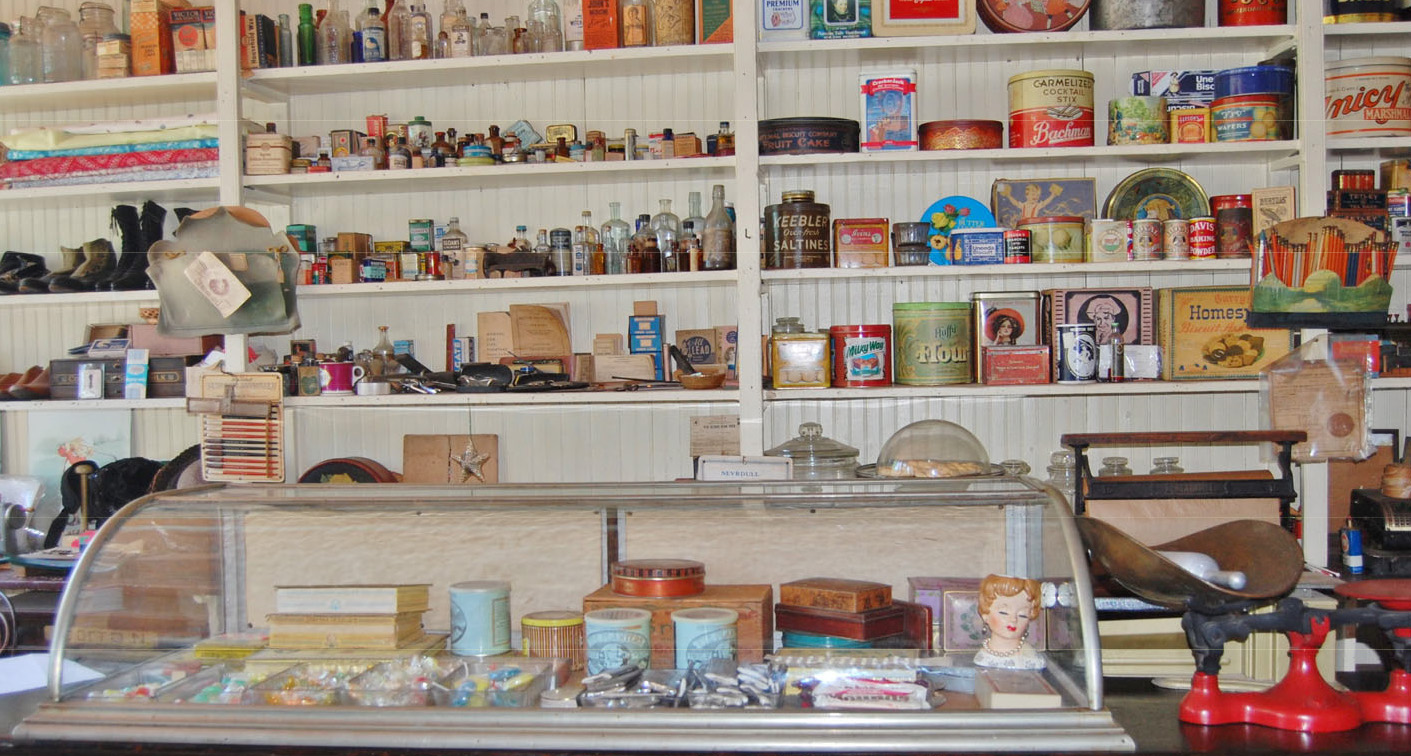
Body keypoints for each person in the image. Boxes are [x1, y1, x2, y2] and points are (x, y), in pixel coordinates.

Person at [973, 574, 1046, 670]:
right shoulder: (983, 657)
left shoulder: (1030, 659)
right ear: (985, 615)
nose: (1013, 619)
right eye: (1004, 612)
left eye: (1022, 615)